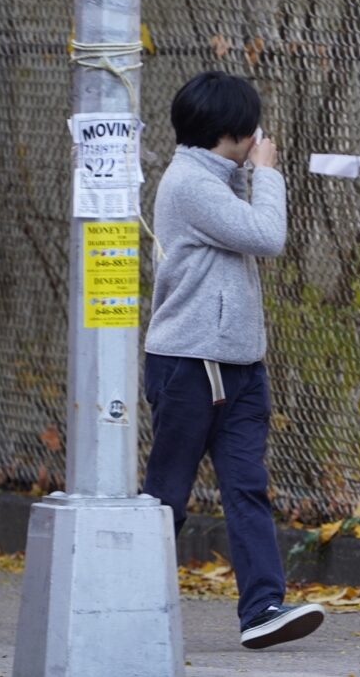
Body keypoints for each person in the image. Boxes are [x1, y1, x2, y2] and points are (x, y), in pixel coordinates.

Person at [142, 70, 325, 649]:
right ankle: (129, 601)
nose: (259, 137)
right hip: (190, 363)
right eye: (252, 128)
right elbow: (267, 235)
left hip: (239, 364)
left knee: (247, 488)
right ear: (233, 131)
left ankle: (263, 609)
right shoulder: (191, 183)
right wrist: (267, 174)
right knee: (167, 494)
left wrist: (250, 173)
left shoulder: (217, 178)